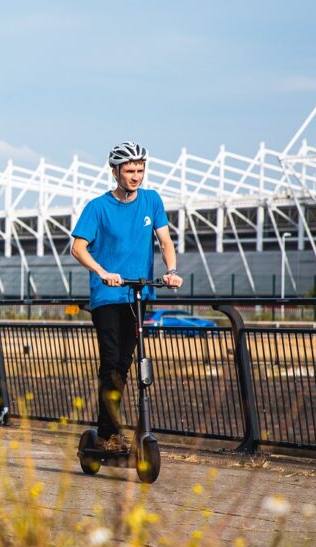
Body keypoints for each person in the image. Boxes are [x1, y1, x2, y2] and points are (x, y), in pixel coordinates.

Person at [70, 141, 183, 452]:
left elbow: (164, 241)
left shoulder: (151, 201)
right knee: (111, 363)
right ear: (115, 171)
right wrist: (102, 271)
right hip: (107, 295)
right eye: (130, 170)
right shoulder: (98, 207)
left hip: (137, 293)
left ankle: (118, 431)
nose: (136, 176)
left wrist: (171, 270)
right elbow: (77, 248)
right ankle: (108, 434)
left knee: (126, 361)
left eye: (141, 170)